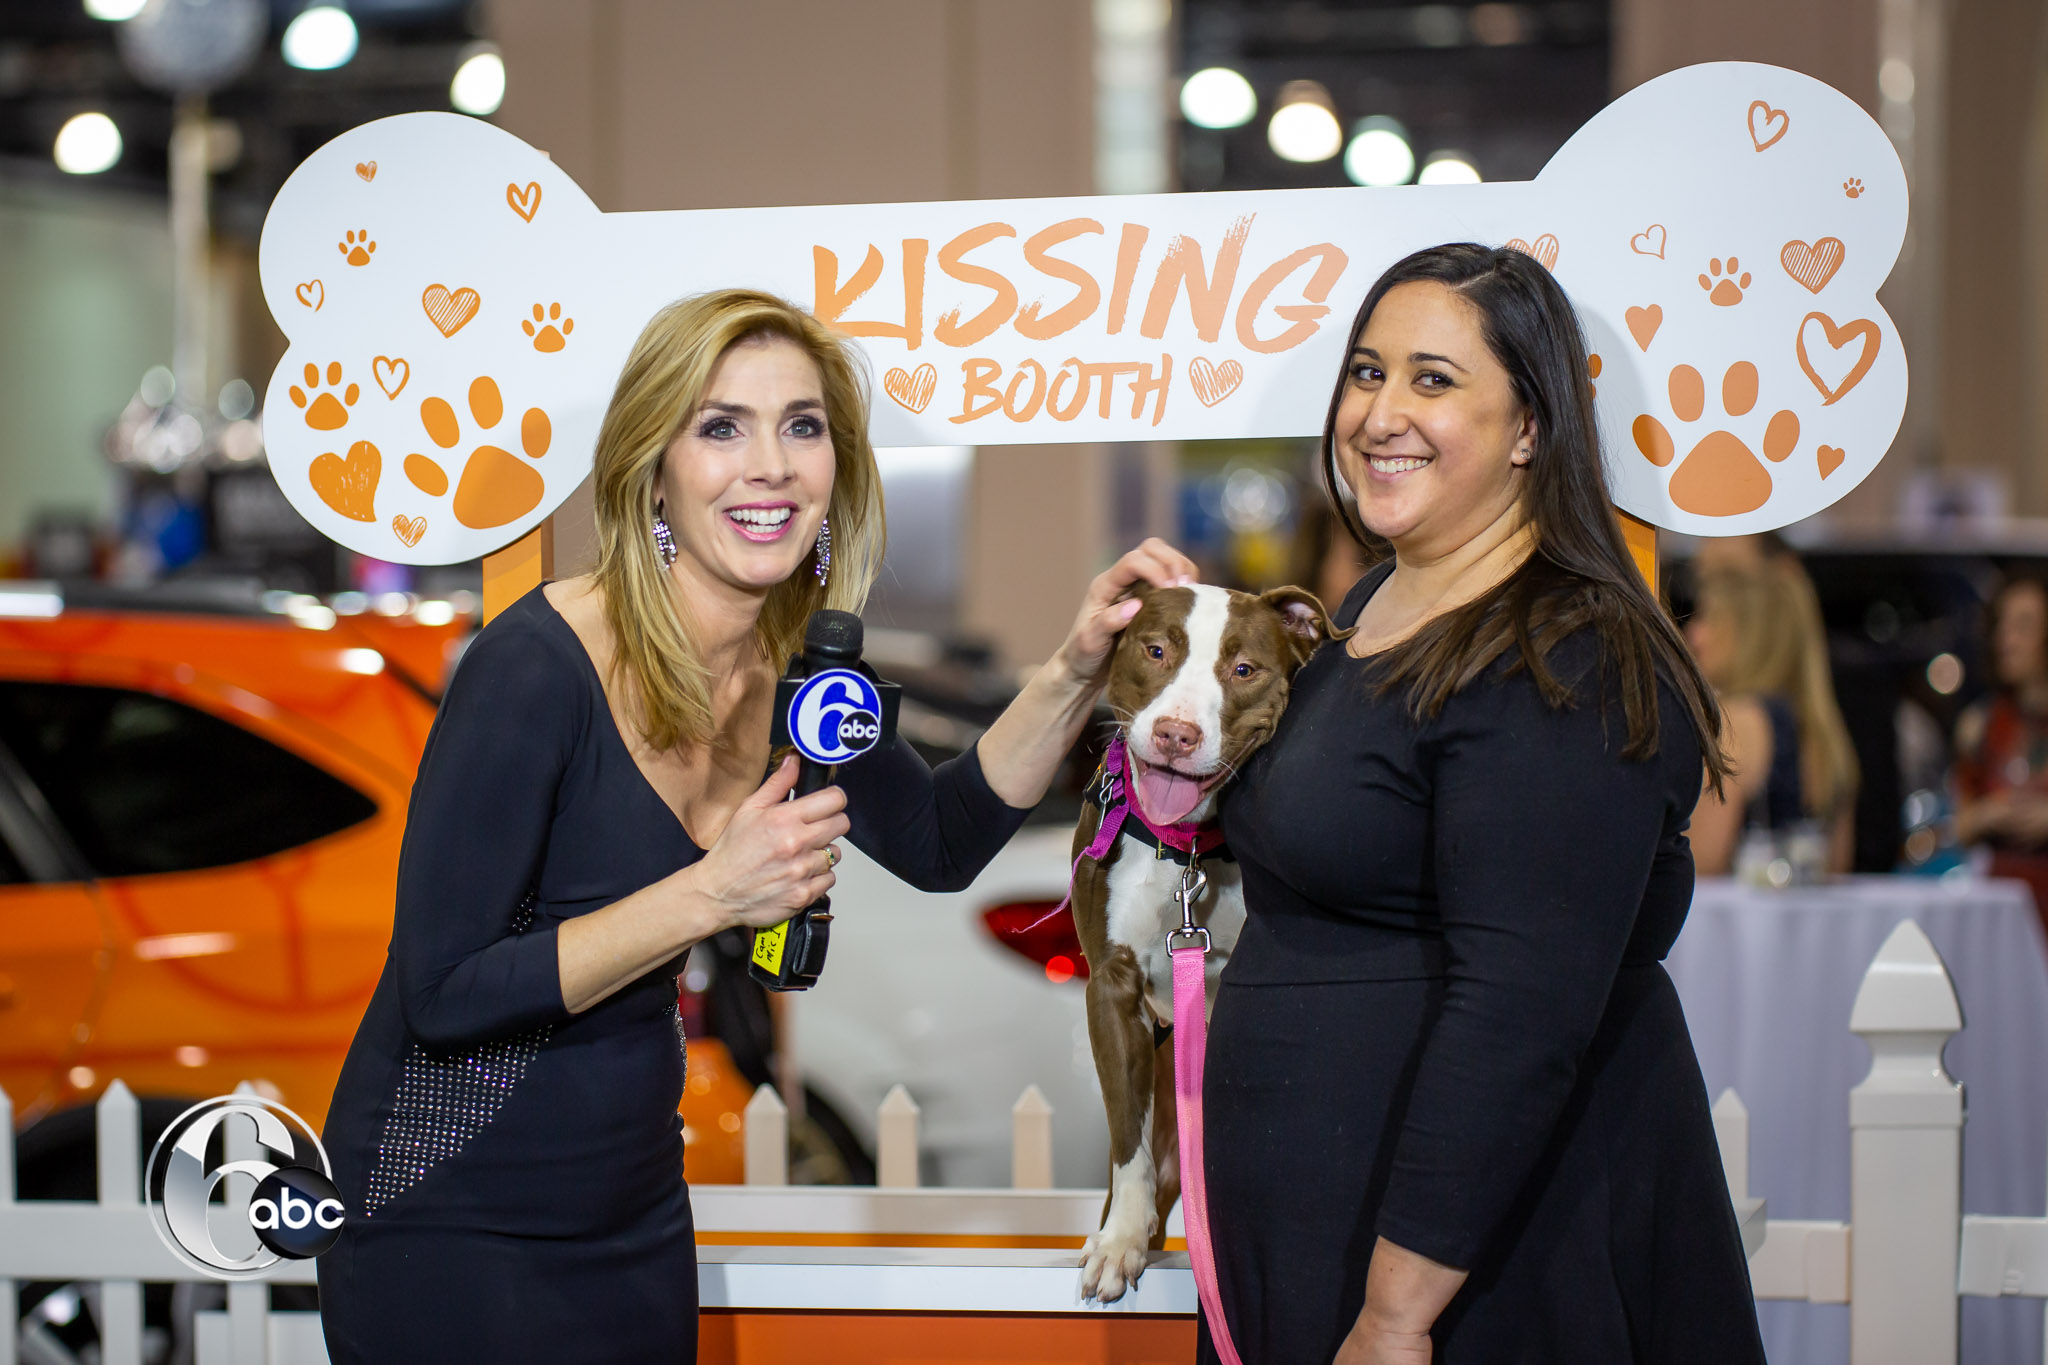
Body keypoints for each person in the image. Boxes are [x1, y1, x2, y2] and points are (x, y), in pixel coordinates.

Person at [315, 289, 1195, 1363]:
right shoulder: (532, 669)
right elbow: (442, 993)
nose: (769, 463)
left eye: (803, 425)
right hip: (451, 1207)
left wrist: (1071, 669)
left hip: (629, 1205)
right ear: (653, 464)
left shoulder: (793, 675)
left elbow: (939, 842)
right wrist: (710, 895)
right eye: (720, 425)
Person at [1203, 244, 1765, 1363]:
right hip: (1324, 1224)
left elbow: (1520, 1010)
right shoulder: (1366, 607)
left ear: (1528, 428)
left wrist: (1397, 1312)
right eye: (1365, 372)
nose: (1378, 412)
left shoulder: (1564, 652)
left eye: (1431, 379)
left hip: (1480, 1260)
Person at [1683, 562, 1860, 875]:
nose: (1692, 634)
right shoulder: (1824, 731)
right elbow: (1837, 867)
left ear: (1748, 632)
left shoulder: (1737, 723)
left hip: (1733, 922)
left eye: (1707, 617)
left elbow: (1701, 862)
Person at [1954, 575, 2048, 928]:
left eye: (2023, 626)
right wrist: (1991, 814)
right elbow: (1958, 826)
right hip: (2002, 913)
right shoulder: (1981, 724)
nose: (2007, 641)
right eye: (2002, 626)